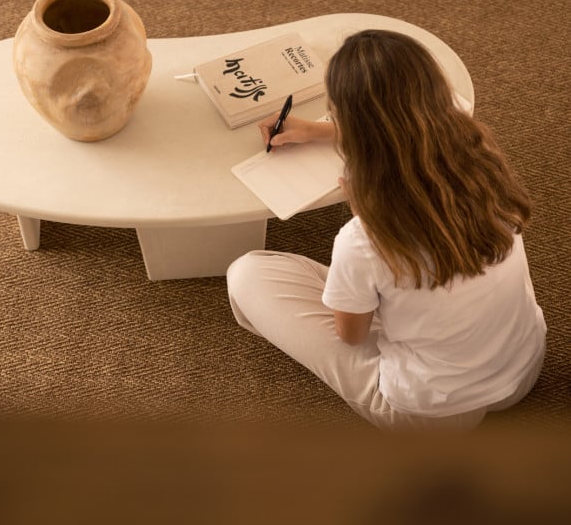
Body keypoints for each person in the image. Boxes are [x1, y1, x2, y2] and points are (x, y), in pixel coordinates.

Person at [226, 29, 547, 429]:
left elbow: (352, 336)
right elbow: (418, 120)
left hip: (433, 412)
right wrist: (316, 131)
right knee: (401, 290)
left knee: (247, 274)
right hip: (522, 369)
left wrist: (362, 210)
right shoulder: (484, 163)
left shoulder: (364, 240)